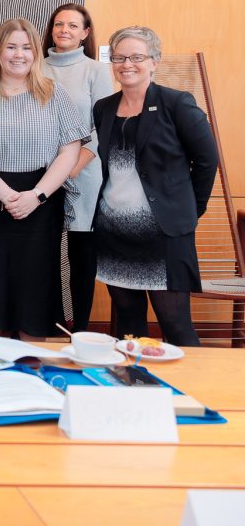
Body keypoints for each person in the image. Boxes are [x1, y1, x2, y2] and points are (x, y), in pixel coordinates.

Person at [0, 19, 86, 339]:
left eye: (26, 47)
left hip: (40, 207)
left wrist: (35, 196)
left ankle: (29, 382)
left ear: (36, 53)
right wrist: (6, 194)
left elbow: (70, 151)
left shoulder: (54, 94)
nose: (18, 55)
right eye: (11, 47)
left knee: (32, 302)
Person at [93, 27, 217, 347]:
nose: (126, 64)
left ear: (155, 62)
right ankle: (135, 389)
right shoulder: (104, 108)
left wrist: (190, 210)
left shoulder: (177, 104)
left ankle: (191, 395)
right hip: (115, 233)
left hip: (164, 236)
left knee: (176, 326)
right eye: (119, 57)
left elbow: (206, 161)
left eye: (137, 56)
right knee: (129, 328)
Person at [41, 3, 114, 331]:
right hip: (41, 174)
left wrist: (71, 167)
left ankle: (81, 329)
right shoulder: (36, 67)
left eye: (72, 25)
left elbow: (103, 126)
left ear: (85, 33)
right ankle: (51, 322)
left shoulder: (95, 71)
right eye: (59, 25)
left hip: (84, 173)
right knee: (43, 253)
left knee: (81, 256)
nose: (64, 30)